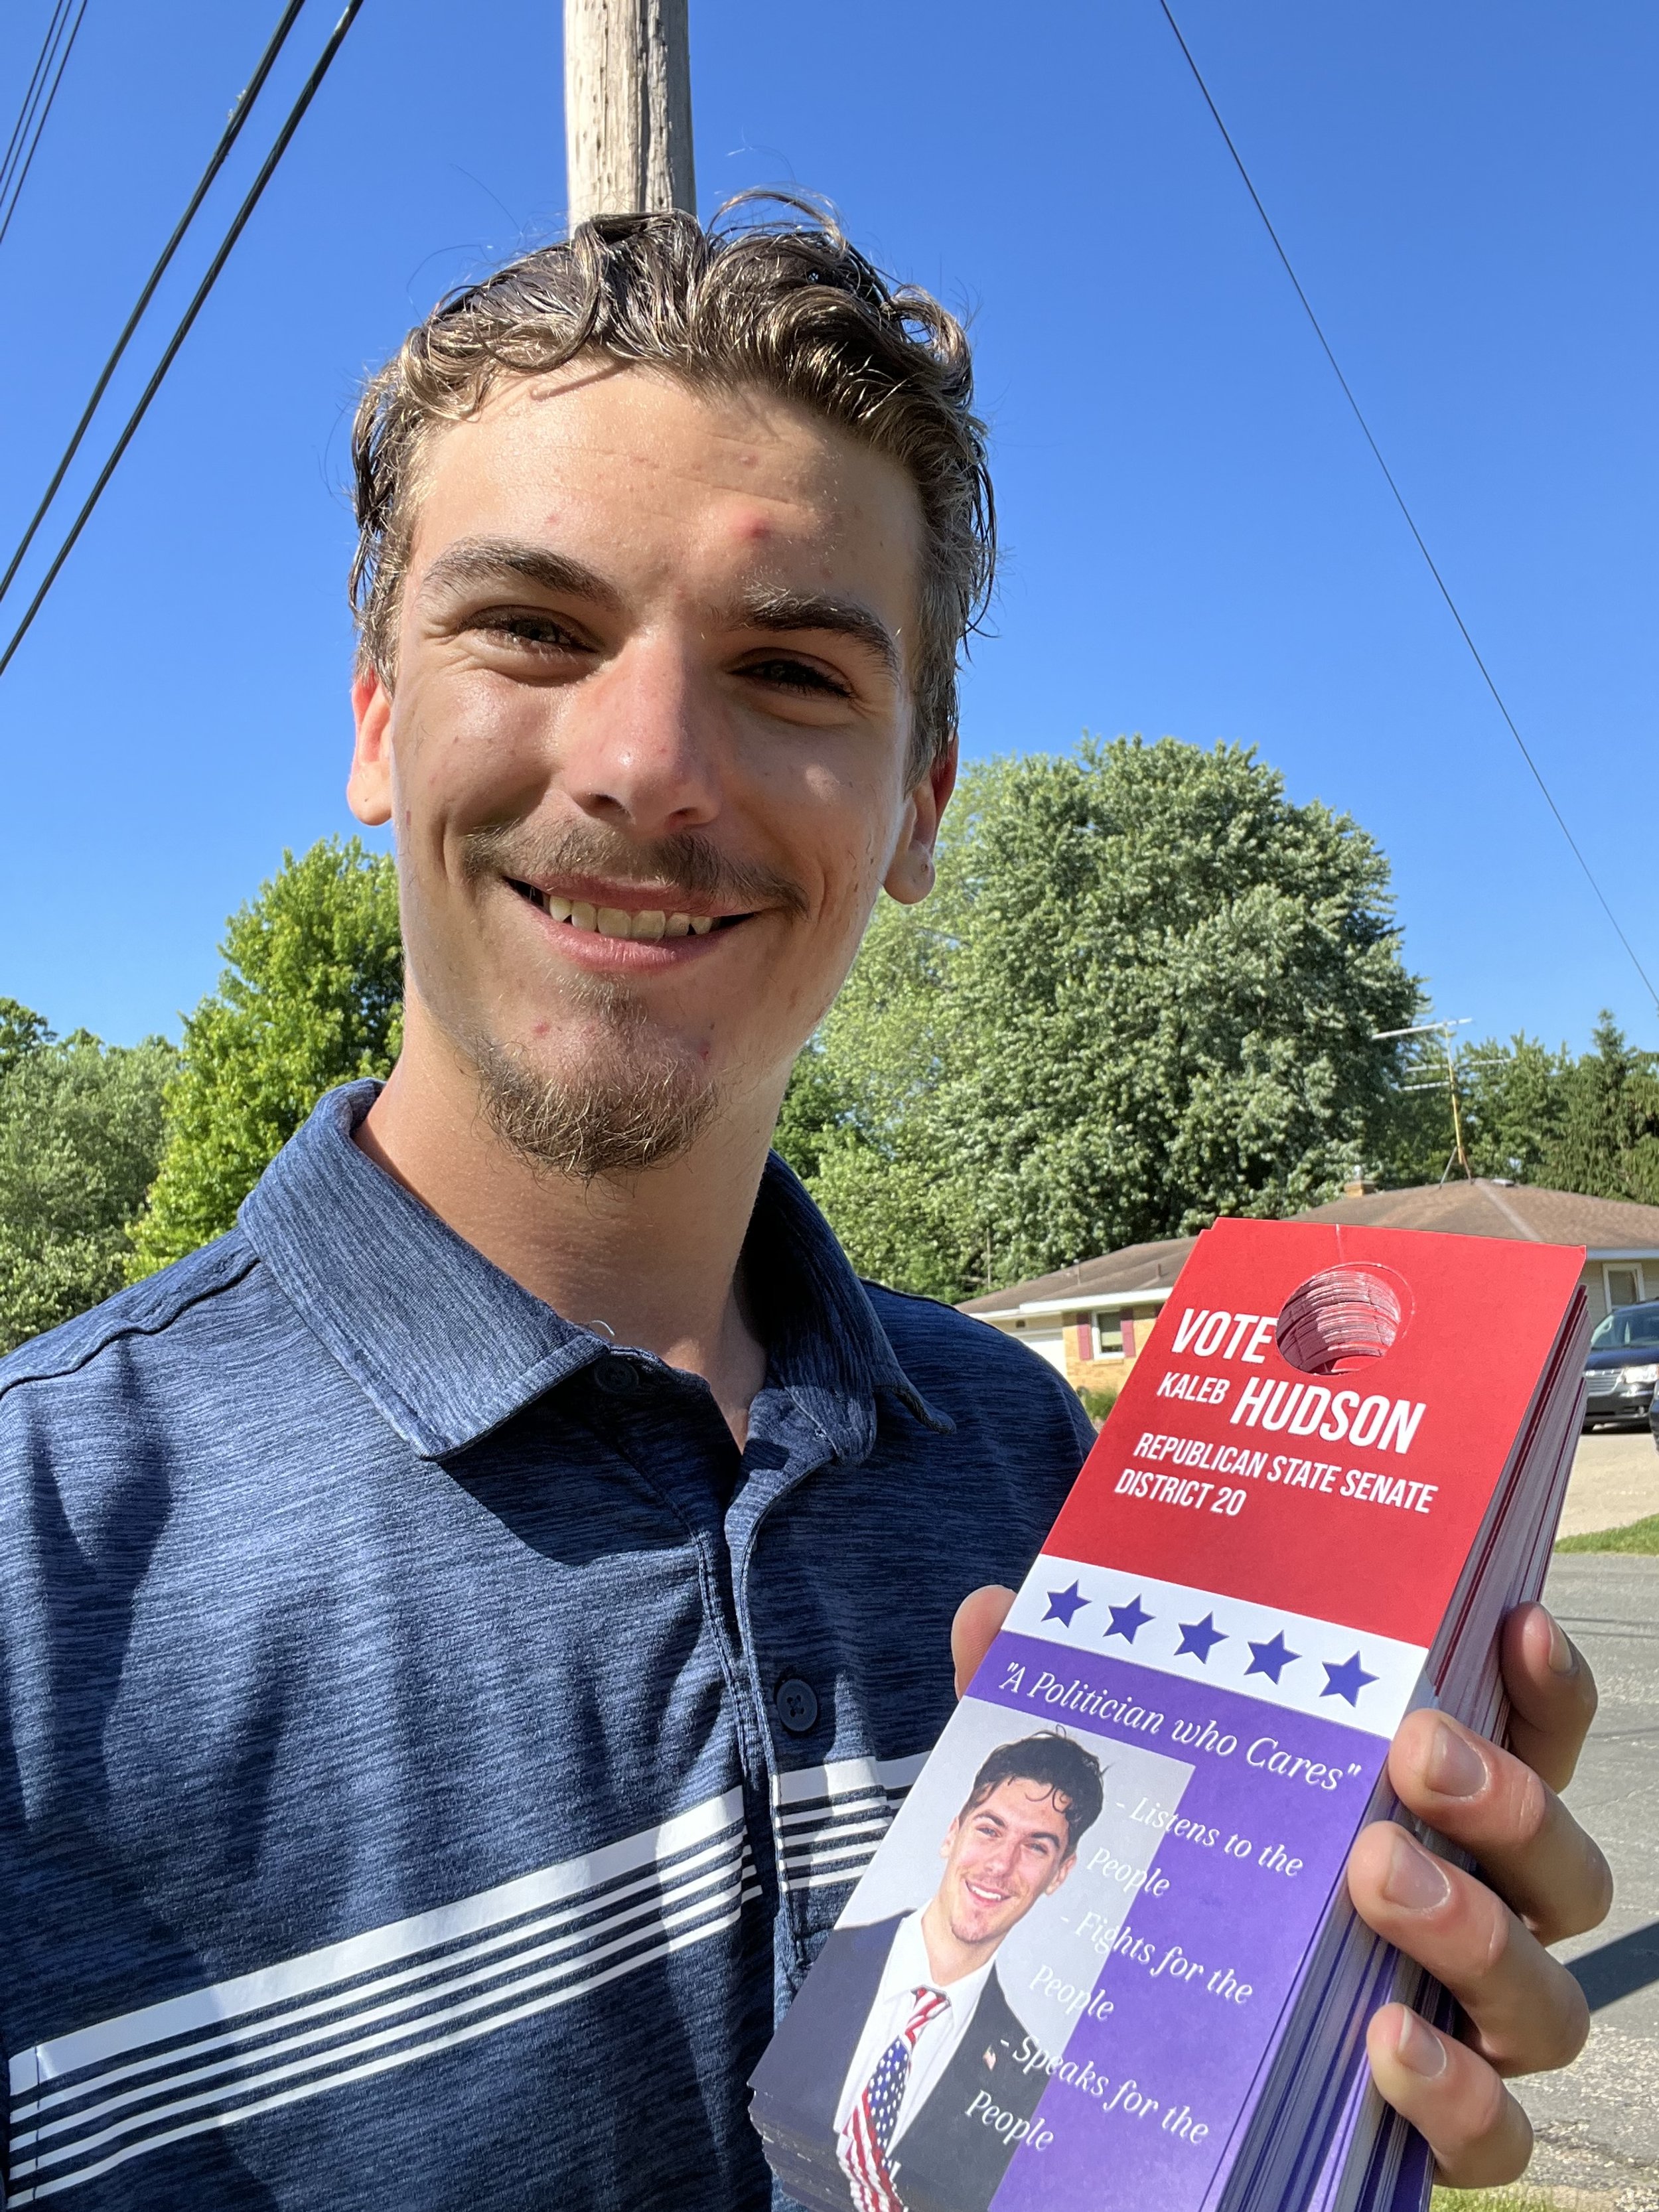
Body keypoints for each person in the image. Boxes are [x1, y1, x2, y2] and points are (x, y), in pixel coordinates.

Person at [0, 202, 1609, 2211]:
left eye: (787, 668)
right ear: (377, 719)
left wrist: (1292, 2085)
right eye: (533, 629)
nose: (648, 764)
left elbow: (1031, 2143)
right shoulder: (32, 1574)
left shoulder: (1045, 1477)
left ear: (920, 800)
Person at [761, 1733, 1103, 2212]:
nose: (1001, 1865)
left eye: (1036, 1847)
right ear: (952, 1832)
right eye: (990, 1830)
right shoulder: (826, 1960)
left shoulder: (1028, 2088)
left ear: (1060, 1874)